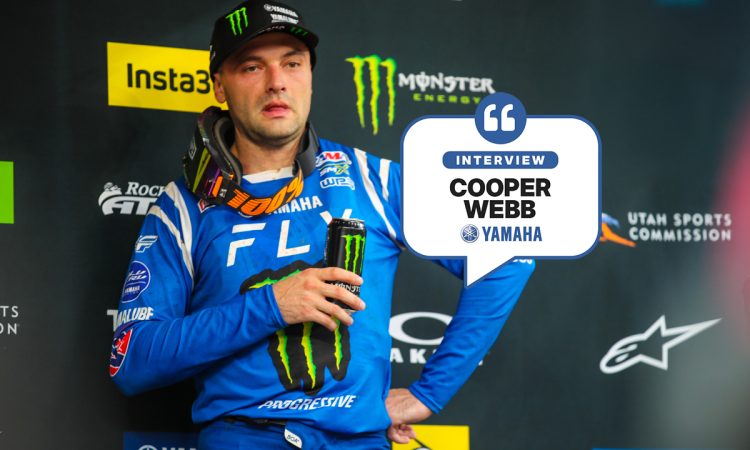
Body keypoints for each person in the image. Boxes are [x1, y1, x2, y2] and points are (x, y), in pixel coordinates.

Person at [109, 1, 535, 448]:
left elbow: (506, 255)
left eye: (292, 63)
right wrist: (272, 305)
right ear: (219, 85)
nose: (277, 82)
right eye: (252, 67)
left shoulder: (370, 179)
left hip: (358, 439)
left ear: (310, 75)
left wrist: (429, 393)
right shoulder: (182, 206)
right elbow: (131, 360)